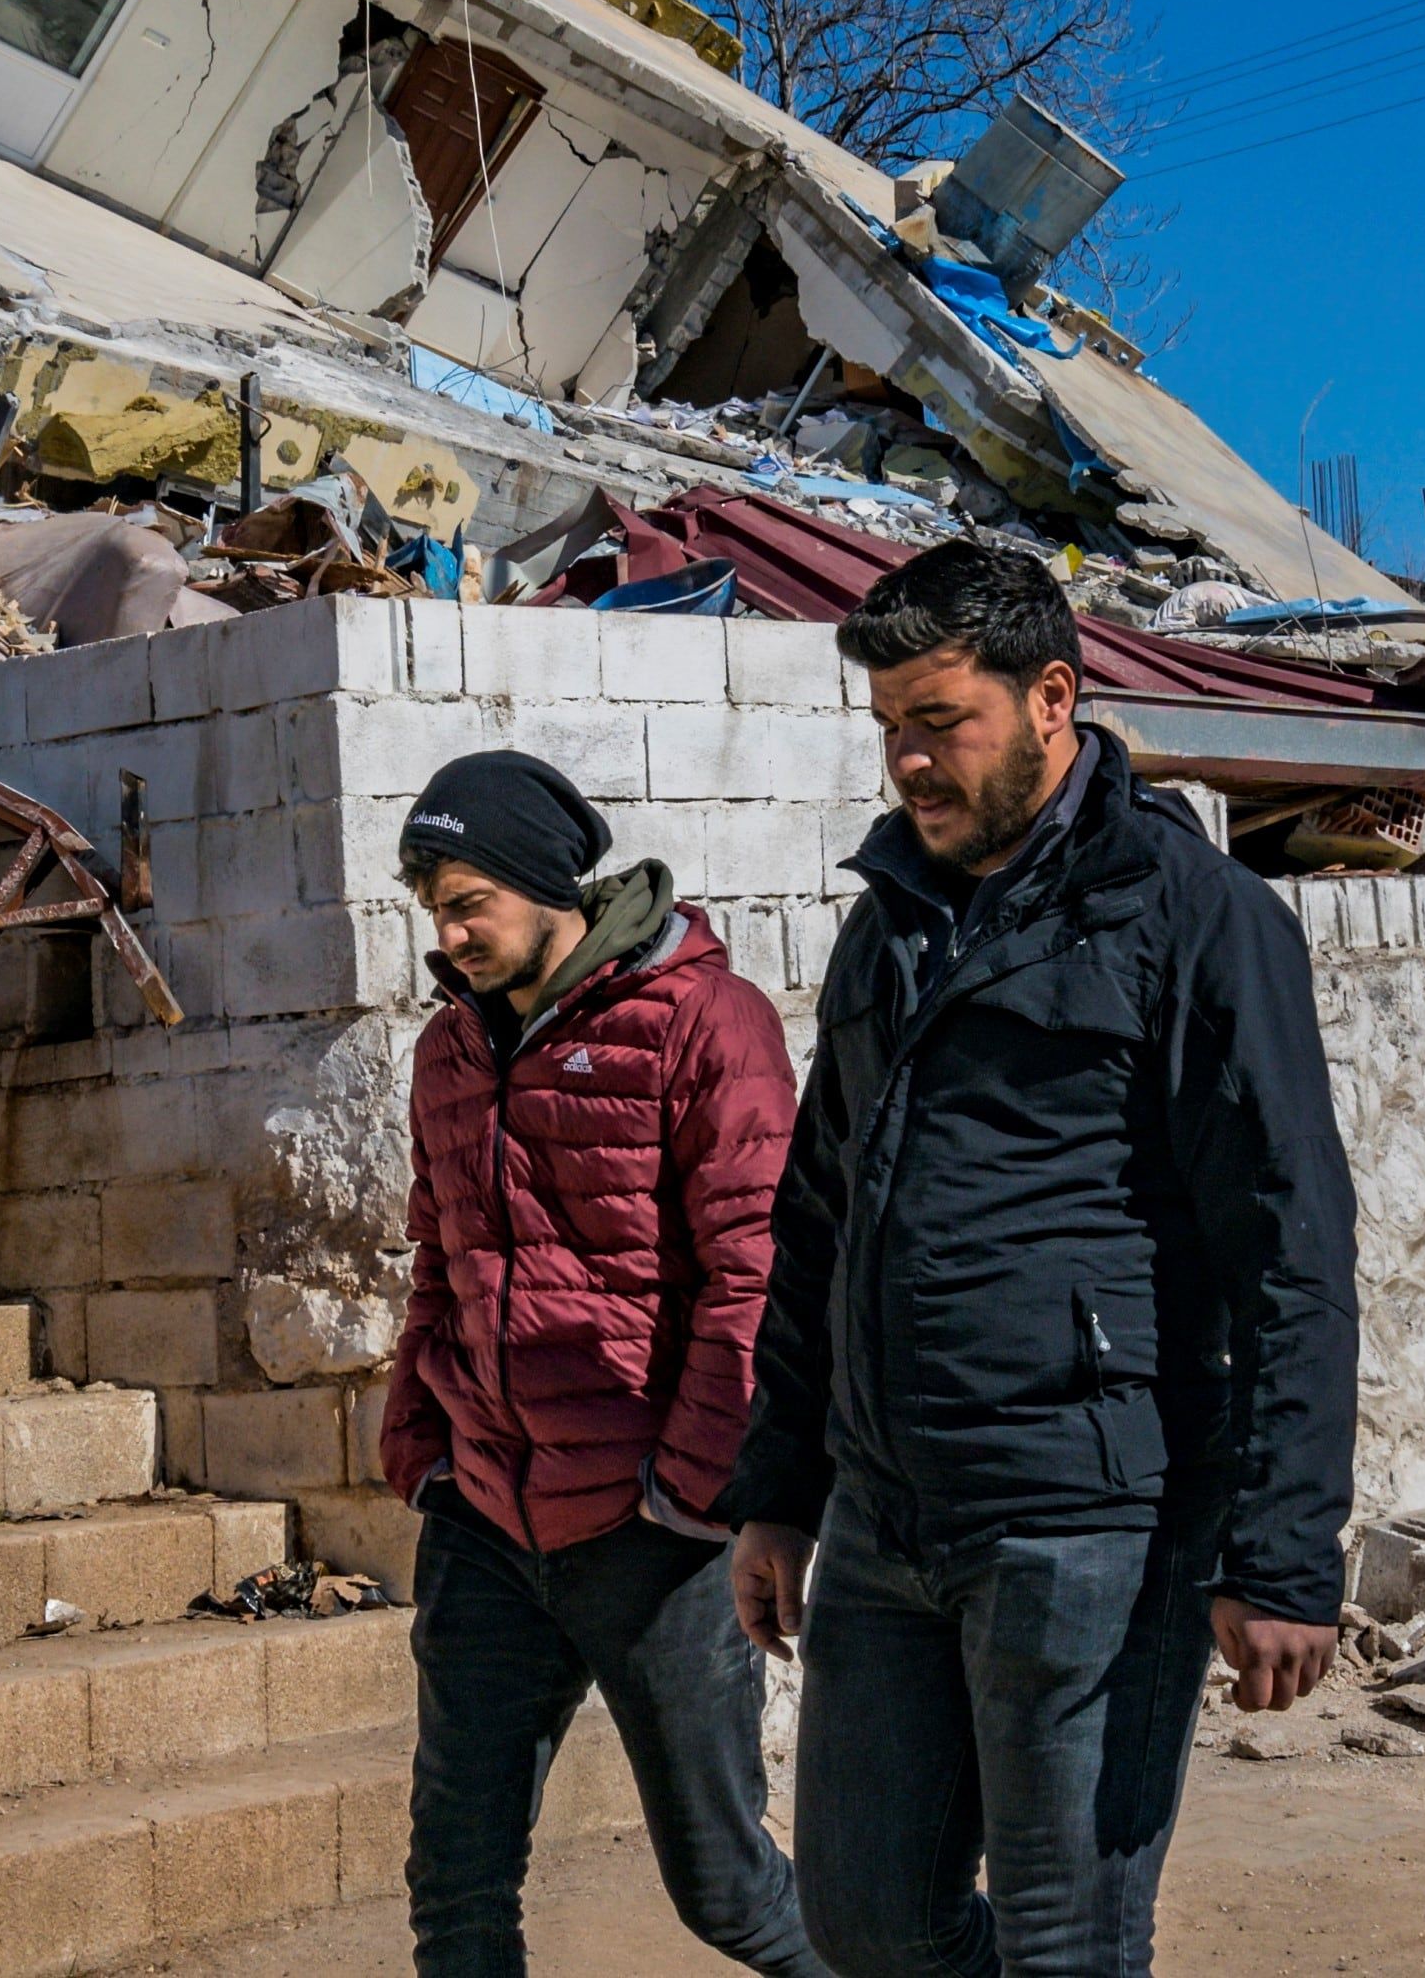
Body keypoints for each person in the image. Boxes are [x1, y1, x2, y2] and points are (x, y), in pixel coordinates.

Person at [723, 542, 1358, 1978]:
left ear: (1054, 697)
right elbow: (823, 1215)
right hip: (889, 1519)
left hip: (1092, 1525)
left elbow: (1294, 1254)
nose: (909, 762)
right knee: (866, 1922)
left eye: (940, 722)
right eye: (890, 727)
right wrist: (778, 1490)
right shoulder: (889, 929)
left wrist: (1284, 1557)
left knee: (1070, 1943)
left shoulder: (1200, 923)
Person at [375, 748, 828, 1978]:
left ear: (545, 884)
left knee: (729, 1897)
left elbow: (759, 1273)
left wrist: (690, 1489)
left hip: (651, 1538)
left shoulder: (700, 1021)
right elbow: (439, 1254)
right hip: (484, 1519)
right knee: (454, 1884)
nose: (452, 934)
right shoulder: (449, 1056)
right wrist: (417, 1438)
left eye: (471, 902)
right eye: (435, 911)